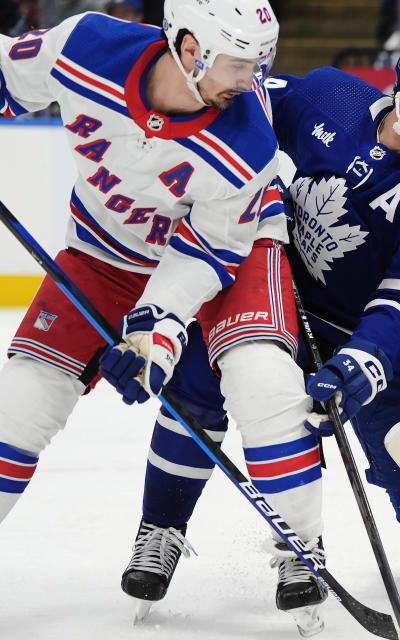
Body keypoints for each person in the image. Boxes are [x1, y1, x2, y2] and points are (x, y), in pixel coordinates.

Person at [118, 29, 400, 628]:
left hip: (381, 345)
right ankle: (164, 528)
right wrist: (231, 177)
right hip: (279, 300)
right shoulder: (328, 97)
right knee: (196, 382)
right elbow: (241, 106)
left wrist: (365, 362)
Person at [0, 0, 328, 634]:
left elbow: (204, 256)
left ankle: (303, 546)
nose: (250, 79)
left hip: (232, 252)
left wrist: (154, 339)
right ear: (187, 47)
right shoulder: (86, 45)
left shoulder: (247, 141)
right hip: (102, 252)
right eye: (238, 63)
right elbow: (7, 77)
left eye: (260, 62)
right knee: (17, 402)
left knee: (262, 383)